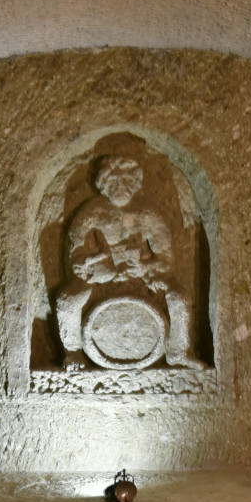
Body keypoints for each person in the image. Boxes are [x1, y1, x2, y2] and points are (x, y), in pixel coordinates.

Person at [55, 155, 202, 370]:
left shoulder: (148, 214)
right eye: (112, 182)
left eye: (125, 181)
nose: (119, 187)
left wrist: (145, 267)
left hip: (143, 276)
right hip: (101, 276)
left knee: (179, 296)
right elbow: (75, 252)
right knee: (68, 299)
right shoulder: (92, 213)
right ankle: (73, 352)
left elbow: (166, 260)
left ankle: (178, 351)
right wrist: (87, 266)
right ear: (103, 185)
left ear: (134, 184)